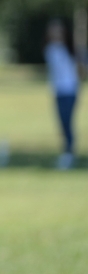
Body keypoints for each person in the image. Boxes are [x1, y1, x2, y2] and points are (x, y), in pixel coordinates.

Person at [44, 19, 80, 170]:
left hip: (70, 90)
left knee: (67, 120)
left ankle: (69, 152)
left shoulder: (70, 49)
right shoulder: (50, 50)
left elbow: (79, 69)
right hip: (58, 91)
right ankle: (67, 151)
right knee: (62, 123)